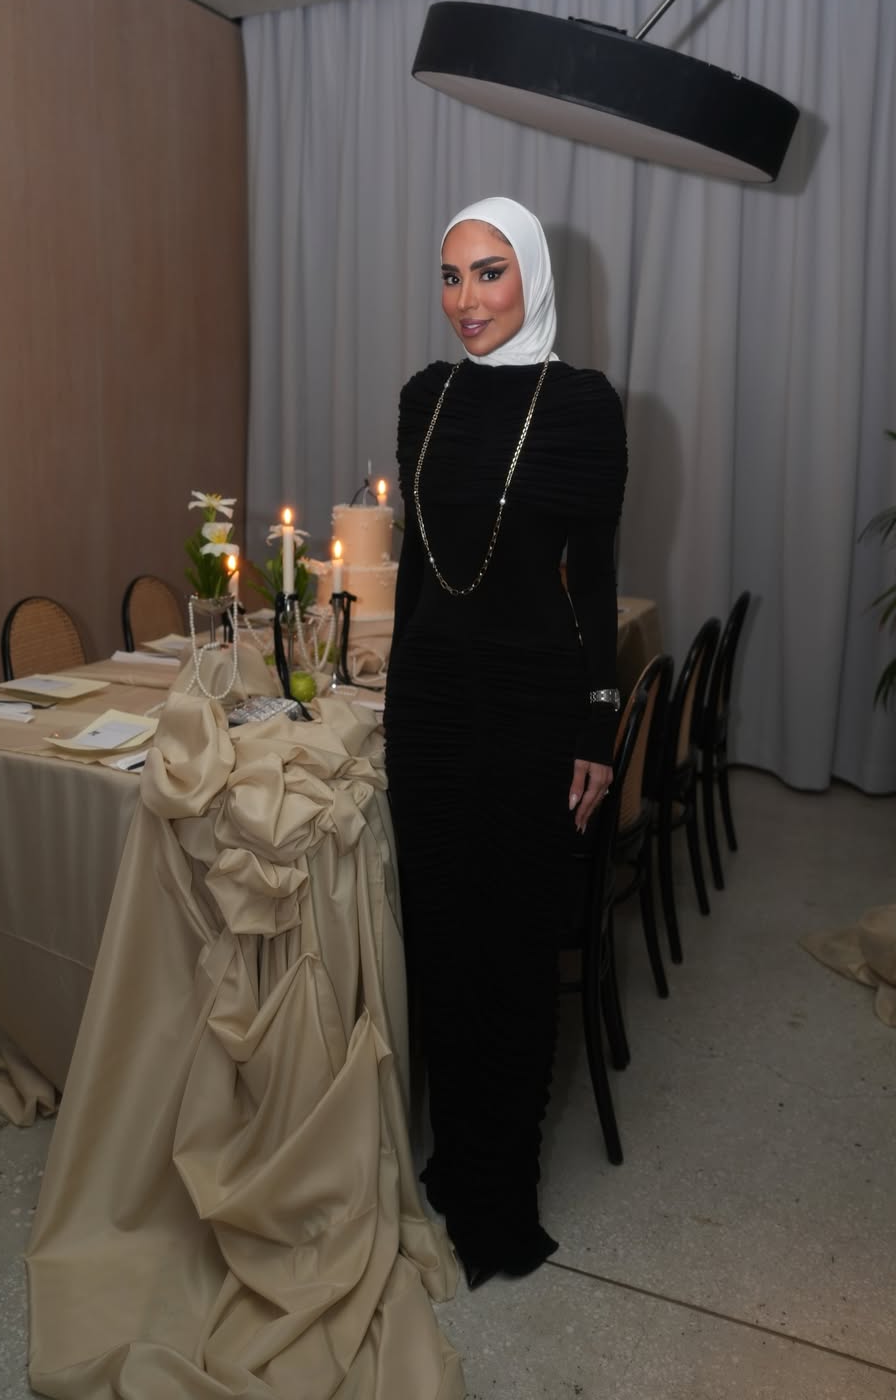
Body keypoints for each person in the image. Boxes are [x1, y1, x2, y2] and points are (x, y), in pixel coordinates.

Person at [384, 196, 628, 1289]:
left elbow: (598, 577)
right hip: (431, 710)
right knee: (441, 944)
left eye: (489, 273)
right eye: (450, 276)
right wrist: (397, 702)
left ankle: (503, 1196)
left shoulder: (582, 406)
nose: (466, 300)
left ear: (530, 274)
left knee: (516, 955)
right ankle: (454, 1163)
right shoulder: (424, 398)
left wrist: (598, 722)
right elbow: (417, 570)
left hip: (534, 704)